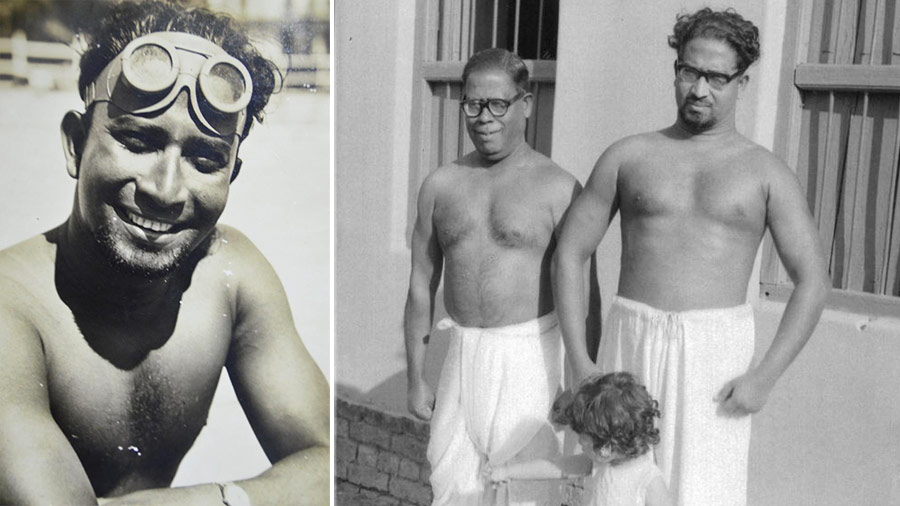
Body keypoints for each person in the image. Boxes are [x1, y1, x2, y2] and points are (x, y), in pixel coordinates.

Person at [0, 2, 329, 505]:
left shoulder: (231, 274)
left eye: (205, 160)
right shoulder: (10, 306)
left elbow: (329, 465)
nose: (168, 190)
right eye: (138, 141)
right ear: (75, 144)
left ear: (231, 175)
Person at [552, 7, 830, 506]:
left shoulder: (766, 173)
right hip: (631, 343)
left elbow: (813, 280)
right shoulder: (628, 156)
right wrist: (578, 359)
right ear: (676, 69)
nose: (699, 90)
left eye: (717, 77)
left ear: (742, 82)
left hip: (714, 358)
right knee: (616, 489)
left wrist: (764, 376)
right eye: (689, 72)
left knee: (705, 493)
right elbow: (571, 252)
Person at [403, 47, 600, 505]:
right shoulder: (440, 185)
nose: (484, 118)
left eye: (498, 104)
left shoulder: (560, 188)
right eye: (473, 104)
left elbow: (585, 296)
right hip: (463, 354)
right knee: (454, 487)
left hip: (531, 356)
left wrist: (580, 380)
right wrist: (416, 375)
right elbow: (420, 284)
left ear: (525, 104)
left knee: (526, 488)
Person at [487, 372, 673, 506]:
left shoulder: (648, 481)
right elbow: (555, 468)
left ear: (606, 446)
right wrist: (508, 471)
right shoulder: (600, 463)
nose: (578, 444)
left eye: (584, 439)